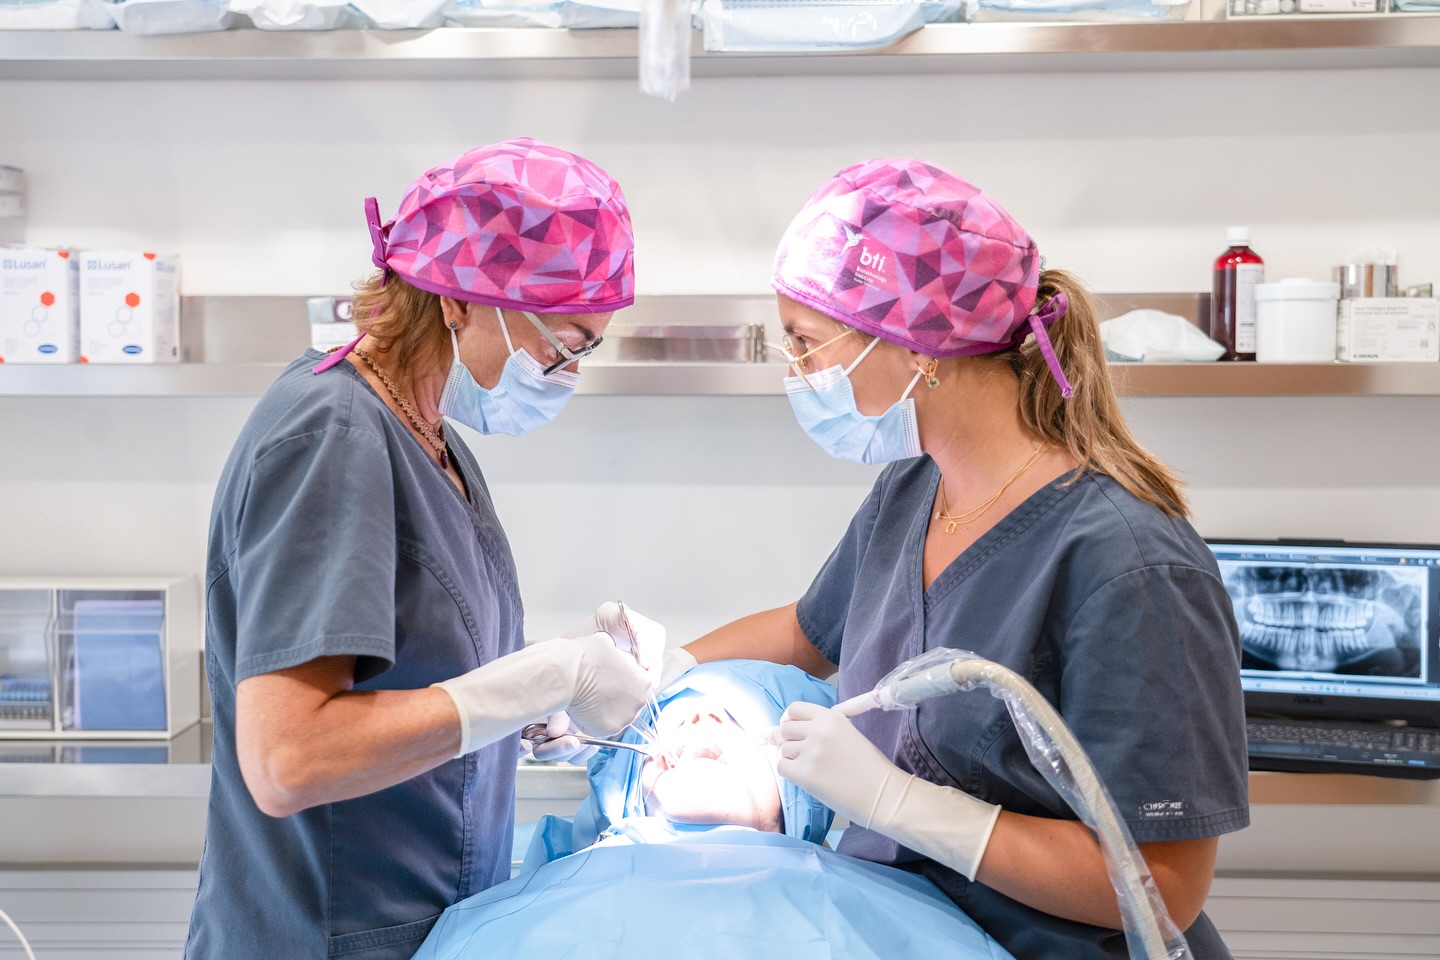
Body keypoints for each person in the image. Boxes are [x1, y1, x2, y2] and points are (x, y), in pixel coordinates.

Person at [679, 158, 1250, 959]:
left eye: (808, 344)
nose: (798, 374)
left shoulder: (1130, 563)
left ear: (921, 348)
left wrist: (899, 803)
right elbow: (810, 633)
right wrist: (652, 669)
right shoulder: (913, 490)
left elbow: (1166, 889)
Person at [185, 139, 660, 960]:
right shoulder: (332, 434)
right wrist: (550, 672)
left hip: (424, 928)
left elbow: (405, 678)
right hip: (324, 938)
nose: (569, 370)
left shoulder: (428, 434)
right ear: (462, 299)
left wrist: (526, 709)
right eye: (567, 340)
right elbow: (289, 758)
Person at [412, 660, 1018, 960]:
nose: (699, 719)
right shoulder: (491, 925)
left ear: (805, 787)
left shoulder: (905, 922)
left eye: (732, 716)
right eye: (672, 717)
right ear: (627, 776)